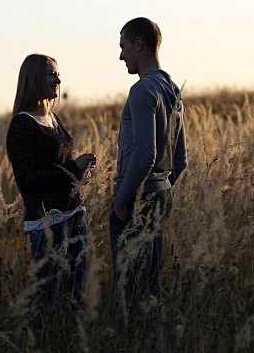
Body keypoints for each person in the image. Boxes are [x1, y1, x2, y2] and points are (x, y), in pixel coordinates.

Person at [6, 53, 96, 331]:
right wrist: (71, 168)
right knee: (45, 297)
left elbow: (59, 165)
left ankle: (74, 339)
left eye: (57, 74)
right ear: (34, 79)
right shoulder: (23, 123)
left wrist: (79, 171)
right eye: (51, 74)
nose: (58, 79)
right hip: (47, 223)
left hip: (74, 214)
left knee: (78, 292)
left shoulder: (53, 118)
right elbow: (27, 180)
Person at [110, 17, 188, 323]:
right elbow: (180, 159)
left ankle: (134, 339)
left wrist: (121, 201)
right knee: (150, 284)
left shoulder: (142, 91)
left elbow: (145, 154)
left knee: (130, 289)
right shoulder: (172, 89)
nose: (121, 56)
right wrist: (162, 189)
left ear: (139, 44)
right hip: (160, 193)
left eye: (123, 47)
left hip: (136, 198)